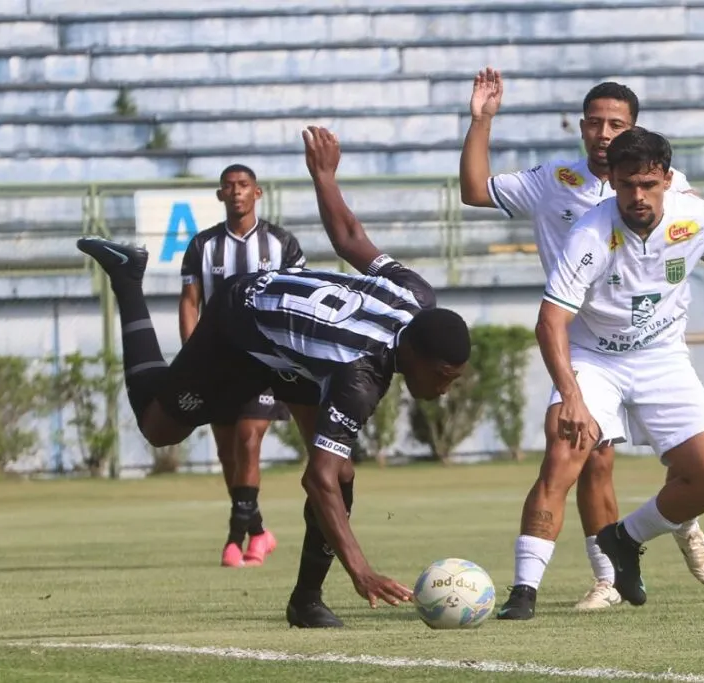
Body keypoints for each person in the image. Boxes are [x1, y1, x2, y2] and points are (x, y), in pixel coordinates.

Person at [76, 125, 471, 628]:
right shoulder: (360, 377)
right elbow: (316, 478)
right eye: (442, 376)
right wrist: (361, 571)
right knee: (158, 429)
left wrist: (324, 177)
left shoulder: (417, 295)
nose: (446, 386)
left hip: (299, 352)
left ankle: (305, 601)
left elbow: (350, 238)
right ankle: (128, 280)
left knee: (341, 473)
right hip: (239, 327)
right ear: (414, 353)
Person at [496, 126, 704, 620]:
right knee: (564, 451)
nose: (638, 195)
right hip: (594, 359)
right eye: (628, 184)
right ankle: (523, 593)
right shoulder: (589, 233)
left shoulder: (695, 218)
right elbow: (551, 320)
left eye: (649, 185)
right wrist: (570, 394)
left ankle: (625, 537)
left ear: (666, 180)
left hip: (661, 358)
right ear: (612, 180)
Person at [459, 67, 704, 612]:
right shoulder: (554, 180)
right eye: (595, 123)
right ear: (581, 127)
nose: (604, 133)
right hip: (584, 351)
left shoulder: (669, 183)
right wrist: (481, 120)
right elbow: (475, 190)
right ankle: (604, 577)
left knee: (689, 462)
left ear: (634, 129)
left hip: (652, 347)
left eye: (615, 123)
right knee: (584, 454)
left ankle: (681, 519)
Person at [179, 163, 306, 568]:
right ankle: (258, 532)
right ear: (220, 195)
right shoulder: (203, 246)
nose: (236, 192)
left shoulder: (282, 244)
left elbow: (297, 300)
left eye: (243, 185)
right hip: (218, 363)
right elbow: (189, 303)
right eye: (229, 187)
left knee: (249, 438)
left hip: (266, 362)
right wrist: (191, 357)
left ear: (258, 192)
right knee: (228, 453)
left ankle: (235, 538)